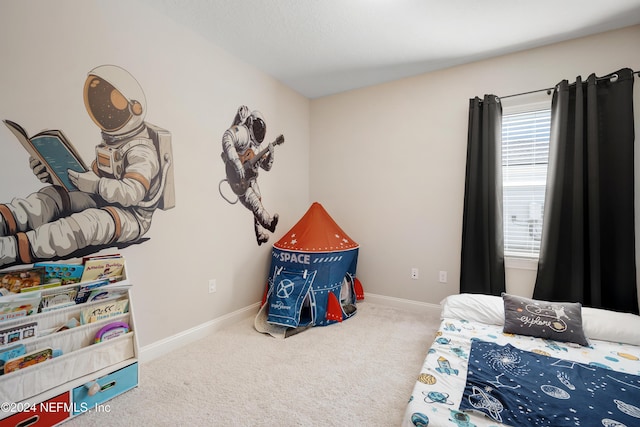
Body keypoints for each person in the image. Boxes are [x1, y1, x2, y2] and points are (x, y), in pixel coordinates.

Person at [0, 65, 168, 267]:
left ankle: (10, 249)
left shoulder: (142, 151)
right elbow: (96, 178)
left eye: (112, 103)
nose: (106, 109)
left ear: (135, 108)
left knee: (82, 225)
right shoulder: (112, 143)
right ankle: (6, 219)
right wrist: (51, 173)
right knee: (52, 196)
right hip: (102, 198)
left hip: (132, 217)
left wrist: (96, 185)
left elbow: (132, 193)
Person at [221, 105, 281, 245]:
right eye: (258, 128)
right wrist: (236, 161)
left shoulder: (256, 147)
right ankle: (268, 222)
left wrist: (271, 153)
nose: (259, 132)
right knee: (255, 202)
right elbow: (227, 137)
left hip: (249, 178)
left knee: (258, 201)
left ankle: (260, 234)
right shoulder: (244, 134)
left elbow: (266, 166)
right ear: (250, 123)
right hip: (237, 178)